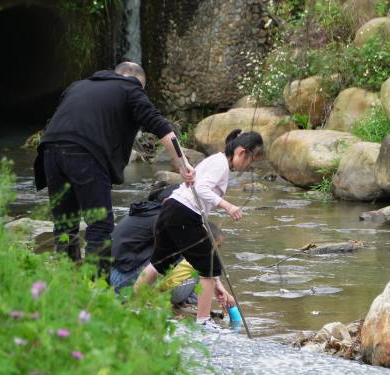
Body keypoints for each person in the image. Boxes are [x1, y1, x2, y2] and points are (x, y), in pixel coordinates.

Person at [33, 62, 194, 276]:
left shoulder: (78, 86)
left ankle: (66, 283)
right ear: (139, 83)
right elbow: (162, 127)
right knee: (99, 225)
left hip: (49, 150)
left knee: (65, 223)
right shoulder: (130, 88)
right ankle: (95, 287)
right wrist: (184, 166)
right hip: (86, 153)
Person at [135, 129, 263, 332]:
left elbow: (197, 193)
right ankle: (203, 320)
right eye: (251, 159)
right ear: (240, 152)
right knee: (210, 266)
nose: (249, 166)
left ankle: (133, 307)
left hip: (172, 209)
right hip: (183, 212)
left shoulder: (216, 161)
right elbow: (201, 188)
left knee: (160, 262)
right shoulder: (220, 165)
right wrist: (228, 206)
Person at [110, 183, 225, 307]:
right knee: (194, 256)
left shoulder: (146, 212)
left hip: (114, 276)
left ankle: (187, 301)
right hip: (125, 282)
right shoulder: (166, 219)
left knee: (190, 252)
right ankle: (193, 304)